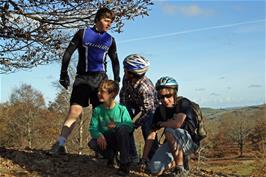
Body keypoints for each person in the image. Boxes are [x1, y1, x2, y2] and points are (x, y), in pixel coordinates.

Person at [49, 7, 120, 155]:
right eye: (106, 20)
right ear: (98, 19)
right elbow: (68, 52)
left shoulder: (110, 40)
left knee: (101, 114)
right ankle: (60, 144)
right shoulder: (83, 33)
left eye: (111, 22)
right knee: (75, 111)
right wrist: (63, 74)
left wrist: (117, 79)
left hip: (101, 79)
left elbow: (115, 61)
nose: (109, 24)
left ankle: (102, 149)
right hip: (82, 78)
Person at [139, 76, 199, 176]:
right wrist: (144, 158)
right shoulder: (160, 110)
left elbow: (177, 124)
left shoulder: (183, 103)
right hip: (172, 144)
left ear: (175, 93)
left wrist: (162, 124)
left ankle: (179, 169)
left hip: (190, 142)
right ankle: (180, 160)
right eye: (161, 97)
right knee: (154, 169)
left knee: (169, 130)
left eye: (168, 96)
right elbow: (151, 134)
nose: (165, 100)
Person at [88, 80, 133, 176]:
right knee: (93, 143)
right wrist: (99, 134)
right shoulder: (97, 110)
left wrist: (117, 125)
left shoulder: (122, 109)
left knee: (122, 129)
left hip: (120, 140)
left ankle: (124, 164)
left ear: (112, 94)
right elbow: (92, 128)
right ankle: (111, 157)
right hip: (106, 140)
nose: (98, 93)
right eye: (98, 91)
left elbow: (130, 126)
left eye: (102, 92)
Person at [119, 54, 159, 162]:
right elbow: (123, 93)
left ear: (133, 73)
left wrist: (135, 124)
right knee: (124, 125)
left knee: (148, 129)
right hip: (134, 102)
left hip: (150, 109)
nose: (124, 71)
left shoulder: (146, 88)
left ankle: (153, 158)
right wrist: (123, 111)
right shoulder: (126, 78)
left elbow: (148, 111)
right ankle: (131, 155)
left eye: (126, 69)